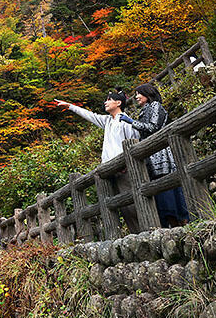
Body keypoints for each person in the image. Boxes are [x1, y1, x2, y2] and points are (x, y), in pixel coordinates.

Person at [55, 89, 140, 233]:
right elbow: (90, 115)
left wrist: (126, 162)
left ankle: (144, 231)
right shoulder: (107, 120)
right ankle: (134, 235)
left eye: (109, 99)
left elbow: (134, 141)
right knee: (119, 206)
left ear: (118, 103)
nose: (105, 102)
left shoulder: (125, 120)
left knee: (131, 203)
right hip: (108, 169)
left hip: (123, 168)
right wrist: (70, 106)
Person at [119, 83, 189, 227]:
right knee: (158, 190)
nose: (136, 97)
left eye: (139, 93)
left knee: (167, 188)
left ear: (147, 93)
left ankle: (178, 220)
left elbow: (153, 127)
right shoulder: (144, 110)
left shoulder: (155, 106)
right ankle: (168, 222)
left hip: (161, 154)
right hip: (150, 156)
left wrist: (132, 122)